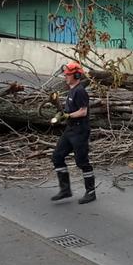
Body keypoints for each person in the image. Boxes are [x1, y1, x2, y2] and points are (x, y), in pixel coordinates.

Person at [49, 62, 97, 204]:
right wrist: (60, 114)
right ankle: (65, 190)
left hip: (80, 131)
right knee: (57, 156)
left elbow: (83, 111)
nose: (65, 76)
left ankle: (91, 192)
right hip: (70, 130)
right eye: (65, 74)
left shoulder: (80, 91)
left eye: (68, 74)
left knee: (82, 162)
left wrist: (68, 116)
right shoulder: (71, 90)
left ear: (76, 75)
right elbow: (69, 111)